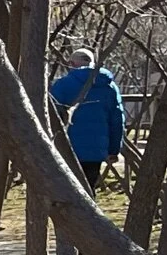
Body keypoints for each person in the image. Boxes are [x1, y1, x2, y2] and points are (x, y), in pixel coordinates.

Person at [49, 47, 126, 190]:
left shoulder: (62, 85)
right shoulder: (109, 86)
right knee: (88, 188)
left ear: (71, 63)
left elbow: (51, 115)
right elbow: (117, 120)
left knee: (68, 190)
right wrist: (114, 149)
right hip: (96, 149)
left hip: (67, 146)